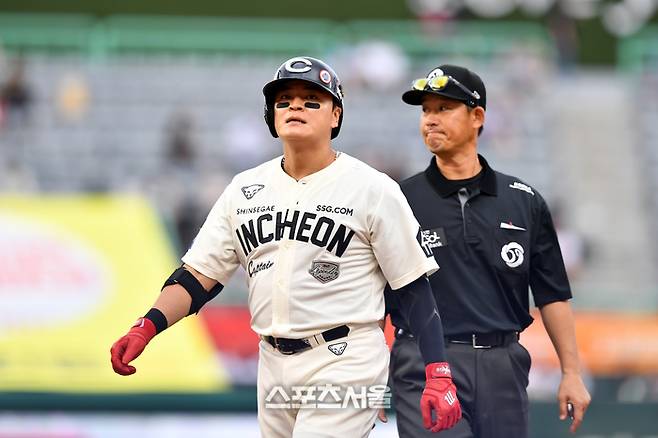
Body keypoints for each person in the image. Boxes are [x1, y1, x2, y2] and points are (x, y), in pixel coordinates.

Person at [110, 56, 462, 437]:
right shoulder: (244, 190)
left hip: (347, 357)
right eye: (284, 100)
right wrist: (146, 326)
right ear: (271, 115)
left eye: (312, 99)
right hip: (272, 360)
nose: (295, 105)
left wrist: (438, 372)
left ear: (335, 116)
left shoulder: (373, 189)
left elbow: (412, 287)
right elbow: (198, 277)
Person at [384, 64, 591, 437]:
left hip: (504, 365)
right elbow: (372, 293)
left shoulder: (524, 201)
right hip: (425, 361)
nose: (430, 119)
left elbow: (553, 294)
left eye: (443, 108)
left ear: (477, 116)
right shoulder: (397, 199)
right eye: (425, 110)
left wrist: (571, 372)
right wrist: (368, 376)